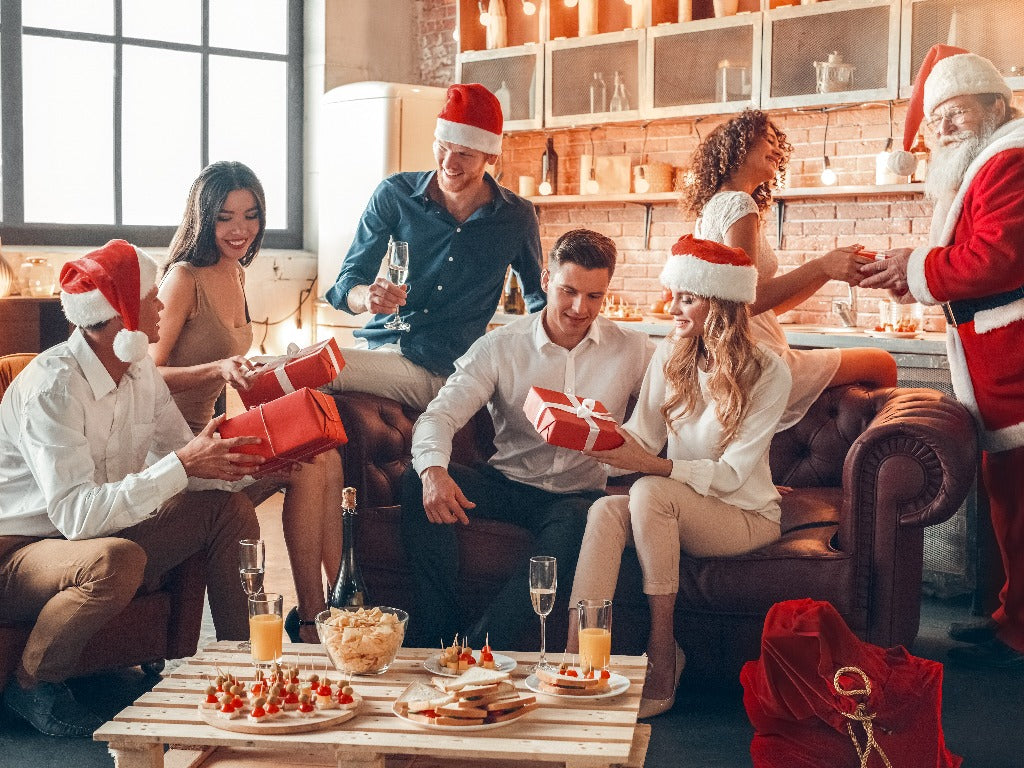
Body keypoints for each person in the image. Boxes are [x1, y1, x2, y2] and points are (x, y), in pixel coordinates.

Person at [0, 240, 262, 737]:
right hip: (22, 552)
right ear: (120, 312)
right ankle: (32, 685)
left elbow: (186, 456)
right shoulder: (54, 388)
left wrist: (263, 465)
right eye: (150, 296)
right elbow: (76, 518)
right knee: (117, 560)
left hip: (100, 534)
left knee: (225, 509)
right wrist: (181, 465)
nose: (161, 304)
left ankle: (243, 665)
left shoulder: (140, 369)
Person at [567, 234, 792, 719]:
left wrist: (656, 467)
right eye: (675, 295)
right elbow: (643, 436)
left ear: (722, 305)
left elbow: (732, 476)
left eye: (686, 299)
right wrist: (593, 435)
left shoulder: (769, 372)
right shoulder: (671, 354)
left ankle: (664, 646)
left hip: (744, 516)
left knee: (650, 490)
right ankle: (580, 660)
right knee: (606, 509)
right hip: (673, 509)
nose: (672, 307)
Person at [400, 229, 654, 650]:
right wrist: (432, 471)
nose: (579, 308)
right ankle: (435, 635)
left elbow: (679, 408)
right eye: (568, 291)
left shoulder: (632, 349)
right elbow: (439, 416)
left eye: (594, 296)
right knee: (414, 480)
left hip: (575, 496)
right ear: (545, 278)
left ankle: (481, 647)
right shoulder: (501, 347)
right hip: (507, 484)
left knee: (577, 521)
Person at [859, 45, 1024, 669]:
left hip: (1015, 357)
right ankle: (1013, 619)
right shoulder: (986, 163)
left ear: (994, 105)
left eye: (957, 113)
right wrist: (914, 273)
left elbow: (996, 260)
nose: (946, 127)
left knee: (1020, 503)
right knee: (1009, 500)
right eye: (939, 119)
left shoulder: (1010, 160)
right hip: (1001, 359)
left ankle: (1020, 633)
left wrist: (917, 268)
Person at [151, 161, 343, 644]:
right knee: (307, 463)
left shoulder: (235, 272)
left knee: (324, 452)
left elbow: (229, 360)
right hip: (178, 450)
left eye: (251, 215)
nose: (240, 229)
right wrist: (218, 369)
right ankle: (316, 618)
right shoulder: (183, 279)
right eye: (225, 217)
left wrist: (273, 366)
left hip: (217, 434)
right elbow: (144, 377)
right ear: (203, 217)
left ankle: (337, 602)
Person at [323, 83, 545, 411]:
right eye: (443, 147)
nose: (449, 163)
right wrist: (367, 297)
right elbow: (346, 285)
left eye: (465, 154)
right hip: (380, 350)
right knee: (307, 377)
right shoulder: (394, 194)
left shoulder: (516, 217)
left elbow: (539, 303)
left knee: (308, 367)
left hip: (446, 369)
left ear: (491, 156)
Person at [686, 109, 896, 429]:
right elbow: (746, 299)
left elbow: (758, 308)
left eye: (778, 143)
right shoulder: (739, 205)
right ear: (739, 146)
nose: (778, 150)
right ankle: (869, 460)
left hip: (739, 354)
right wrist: (820, 265)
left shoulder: (716, 205)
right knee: (881, 362)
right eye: (768, 140)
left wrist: (826, 271)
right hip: (755, 360)